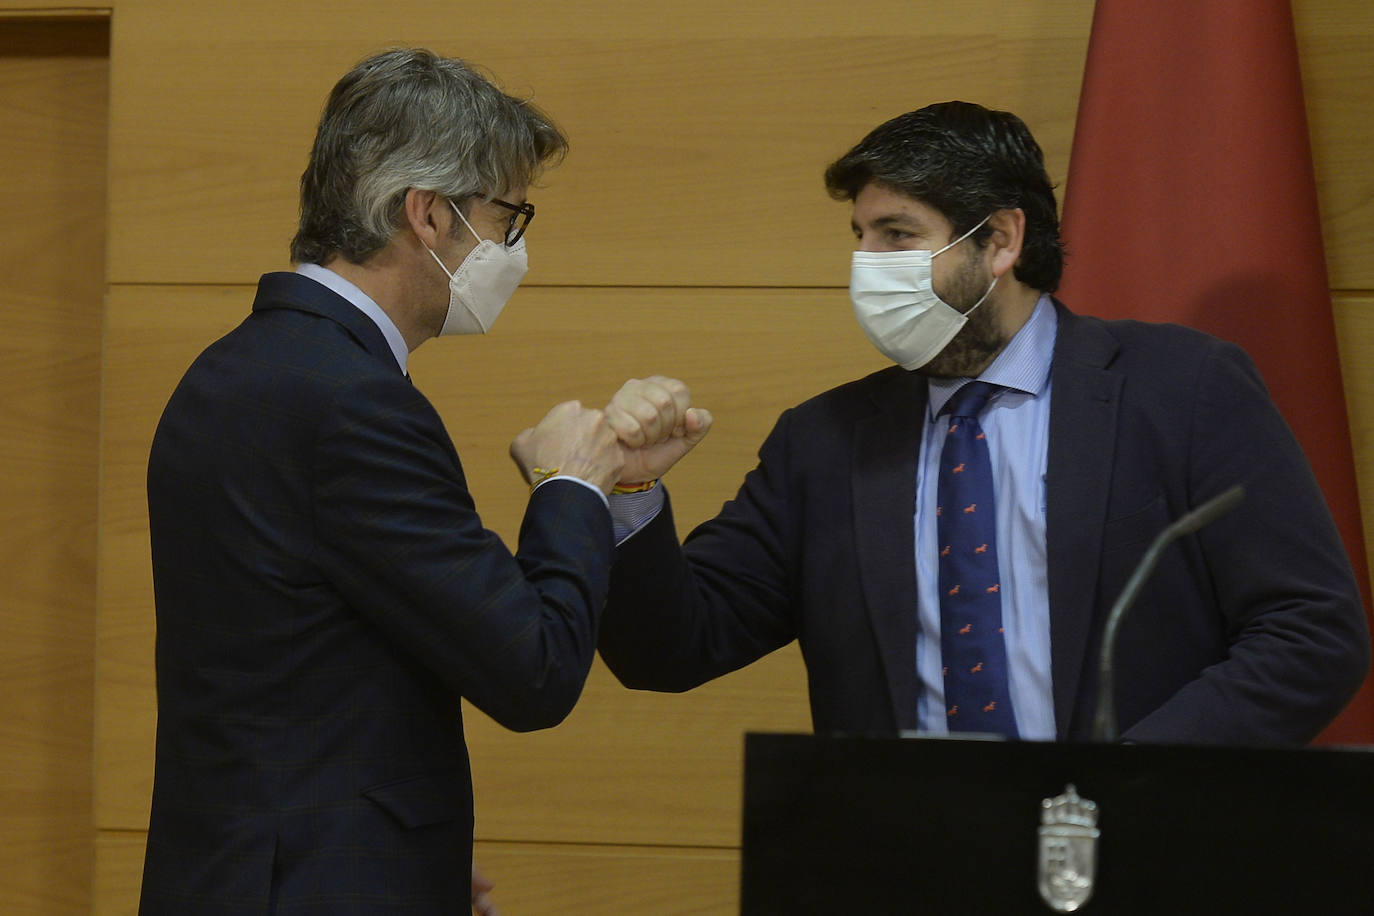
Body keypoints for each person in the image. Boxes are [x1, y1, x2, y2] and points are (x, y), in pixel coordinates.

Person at [598, 101, 1370, 746]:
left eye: (897, 236)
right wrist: (631, 488)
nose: (866, 266)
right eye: (859, 239)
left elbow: (1312, 630)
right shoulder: (823, 442)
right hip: (915, 865)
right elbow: (670, 649)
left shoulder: (1181, 389)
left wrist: (1129, 785)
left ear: (1000, 240)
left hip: (1145, 852)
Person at [140, 48, 628, 914]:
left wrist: (400, 863)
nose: (514, 250)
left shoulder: (225, 372)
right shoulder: (352, 404)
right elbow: (535, 671)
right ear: (429, 215)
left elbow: (296, 672)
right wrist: (572, 484)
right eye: (507, 219)